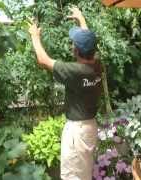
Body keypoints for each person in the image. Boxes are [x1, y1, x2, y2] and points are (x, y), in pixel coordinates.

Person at [28, 7, 102, 180]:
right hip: (89, 127)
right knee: (83, 174)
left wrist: (34, 35)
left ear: (76, 51)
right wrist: (81, 20)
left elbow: (43, 60)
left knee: (72, 176)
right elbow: (88, 42)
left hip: (77, 132)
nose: (72, 45)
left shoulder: (75, 72)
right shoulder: (97, 67)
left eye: (73, 44)